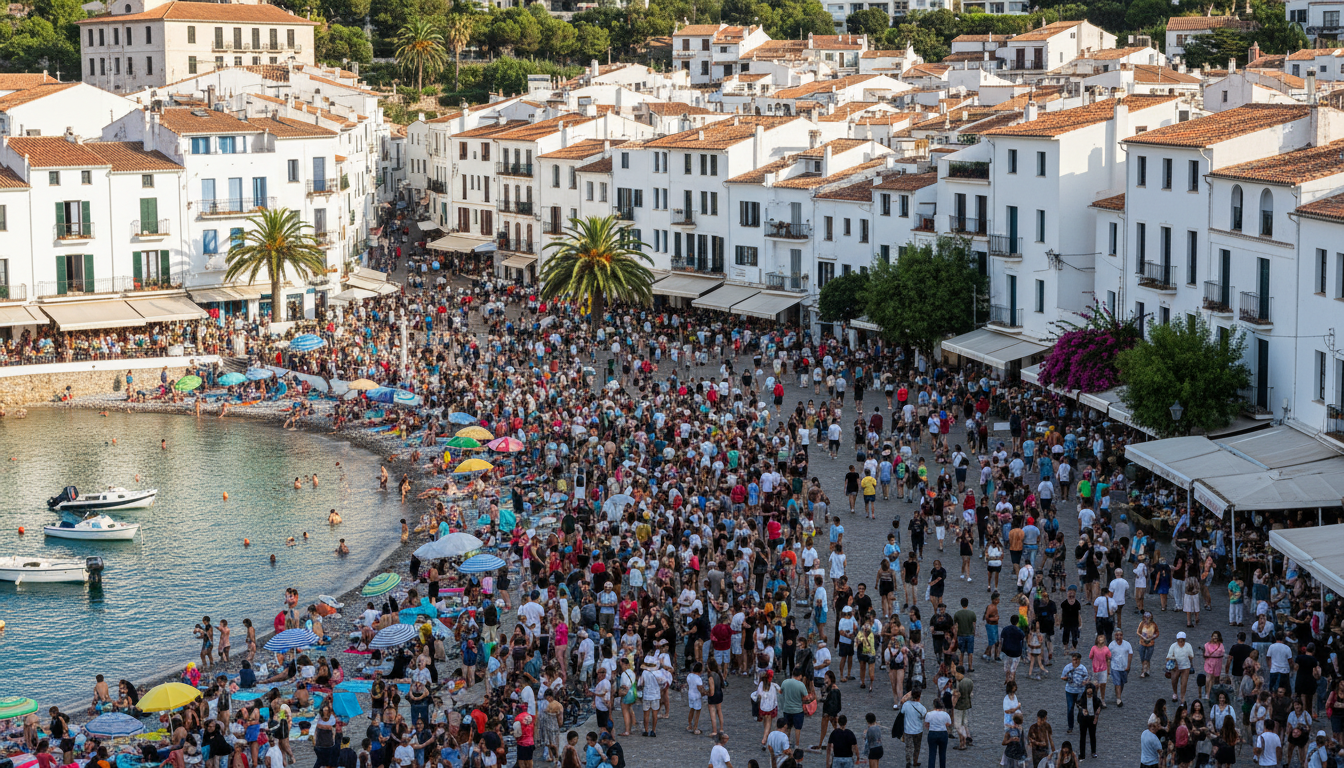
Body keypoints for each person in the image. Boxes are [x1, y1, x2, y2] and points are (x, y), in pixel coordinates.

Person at [897, 688, 927, 768]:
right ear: (919, 697)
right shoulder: (922, 708)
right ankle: (915, 761)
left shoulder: (906, 705)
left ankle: (908, 762)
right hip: (918, 730)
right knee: (917, 747)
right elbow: (925, 716)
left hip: (907, 730)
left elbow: (902, 712)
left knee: (908, 747)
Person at [1168, 631, 1196, 704]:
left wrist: (1189, 658)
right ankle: (1175, 693)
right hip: (1175, 667)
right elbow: (1168, 657)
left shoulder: (1188, 646)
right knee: (1174, 680)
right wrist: (1174, 660)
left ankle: (1182, 697)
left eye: (1182, 640)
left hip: (1185, 666)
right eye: (1179, 640)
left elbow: (1191, 655)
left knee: (1184, 683)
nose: (1181, 642)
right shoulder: (1173, 646)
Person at [923, 699, 951, 768]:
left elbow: (926, 724)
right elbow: (948, 724)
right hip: (943, 733)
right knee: (942, 754)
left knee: (932, 753)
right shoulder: (946, 714)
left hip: (932, 733)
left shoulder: (929, 714)